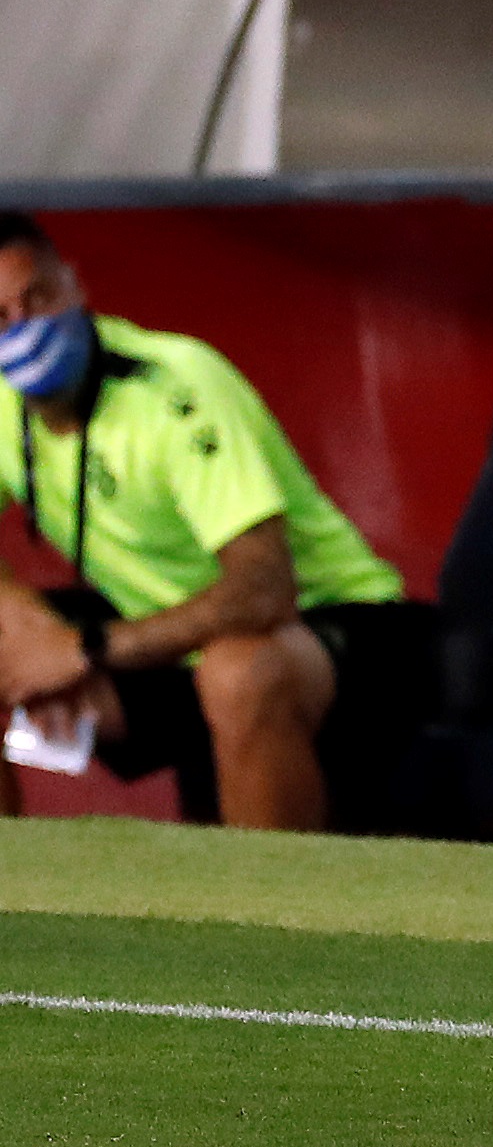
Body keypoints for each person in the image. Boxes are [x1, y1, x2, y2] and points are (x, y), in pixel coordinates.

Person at [0, 212, 404, 830]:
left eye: (40, 297)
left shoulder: (174, 386)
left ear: (75, 287)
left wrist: (82, 649)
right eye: (1, 317)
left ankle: (272, 918)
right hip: (167, 641)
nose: (26, 330)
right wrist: (28, 629)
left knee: (238, 671)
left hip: (333, 621)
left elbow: (265, 588)